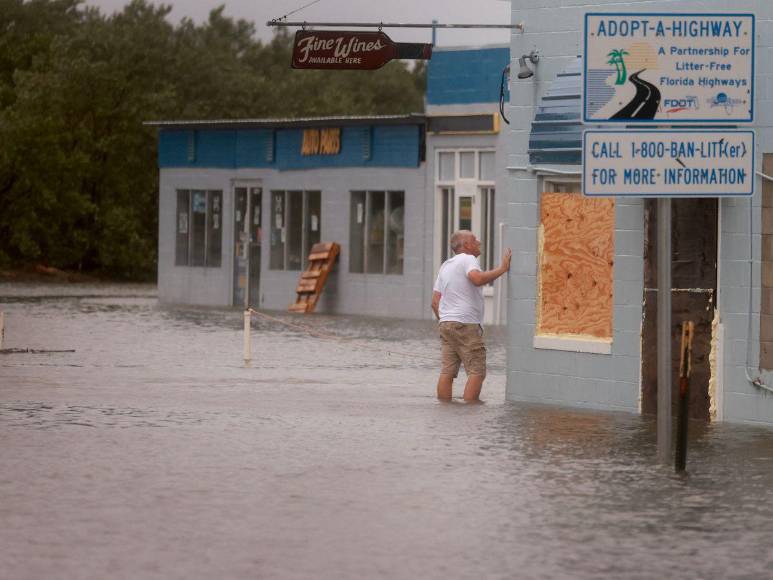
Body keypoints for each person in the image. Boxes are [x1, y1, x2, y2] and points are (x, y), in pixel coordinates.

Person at [431, 230, 512, 402]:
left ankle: (445, 409)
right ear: (466, 245)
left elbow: (434, 302)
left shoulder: (445, 266)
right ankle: (470, 412)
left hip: (446, 324)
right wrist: (503, 269)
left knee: (447, 372)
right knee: (477, 371)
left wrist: (448, 321)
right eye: (475, 239)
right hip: (465, 324)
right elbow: (476, 279)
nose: (479, 241)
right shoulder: (468, 259)